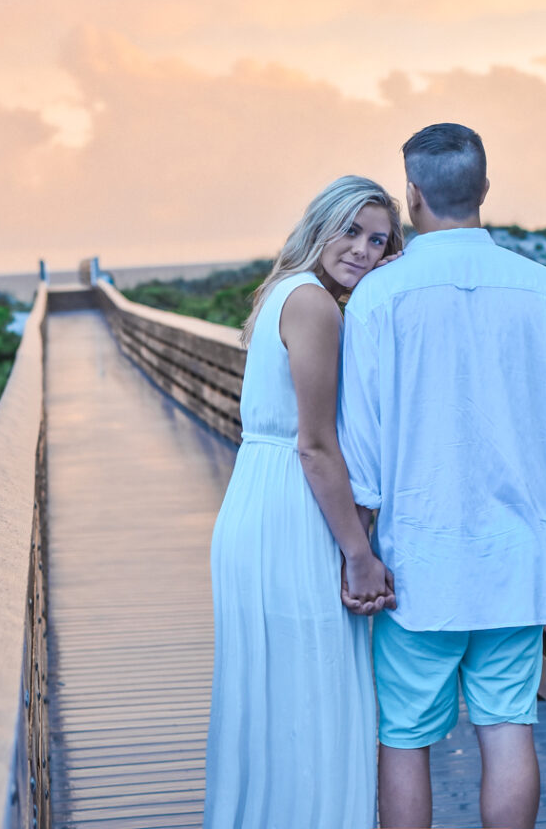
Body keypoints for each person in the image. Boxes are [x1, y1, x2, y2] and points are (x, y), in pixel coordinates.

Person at [339, 123, 546, 829]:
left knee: (403, 738)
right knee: (507, 726)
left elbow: (358, 447)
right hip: (517, 556)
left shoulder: (379, 296)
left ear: (412, 194)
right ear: (483, 190)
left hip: (412, 560)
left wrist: (357, 551)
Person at [203, 175, 402, 829]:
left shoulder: (283, 294)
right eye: (350, 230)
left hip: (258, 499)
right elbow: (315, 446)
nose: (362, 250)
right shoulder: (315, 305)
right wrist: (359, 555)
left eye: (377, 240)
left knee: (274, 701)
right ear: (319, 225)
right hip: (295, 509)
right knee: (318, 698)